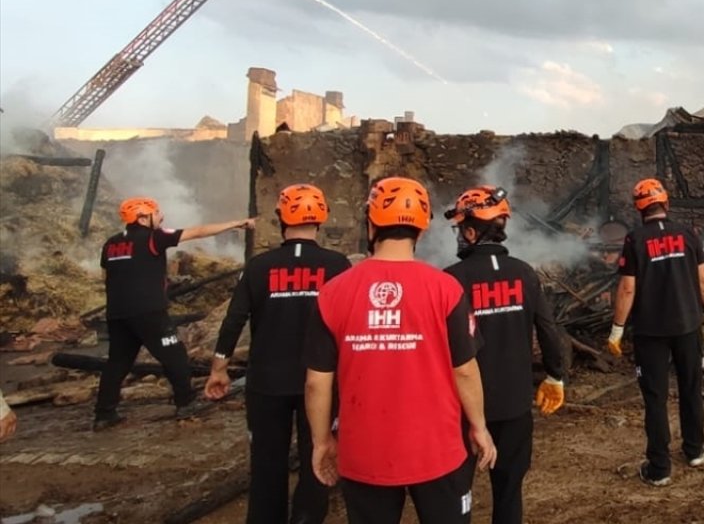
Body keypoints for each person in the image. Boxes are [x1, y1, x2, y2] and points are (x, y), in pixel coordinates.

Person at [303, 177, 496, 524]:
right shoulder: (446, 289)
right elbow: (465, 369)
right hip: (437, 450)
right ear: (421, 231)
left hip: (363, 452)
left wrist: (321, 442)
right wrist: (479, 427)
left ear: (371, 223)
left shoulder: (332, 293)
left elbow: (317, 382)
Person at [205, 184, 351, 524]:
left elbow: (234, 319)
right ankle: (306, 519)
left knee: (267, 463)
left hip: (266, 383)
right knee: (319, 453)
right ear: (321, 218)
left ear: (282, 217)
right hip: (321, 383)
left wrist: (219, 367)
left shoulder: (259, 266)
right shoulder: (338, 265)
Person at [442, 185, 566, 524]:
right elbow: (548, 329)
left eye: (460, 230)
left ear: (470, 231)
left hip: (462, 409)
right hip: (515, 403)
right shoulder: (524, 273)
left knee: (457, 492)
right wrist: (555, 376)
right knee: (509, 490)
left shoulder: (450, 280)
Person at [93, 197, 254, 431]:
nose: (161, 217)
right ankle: (186, 403)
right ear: (142, 217)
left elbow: (106, 278)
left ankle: (104, 414)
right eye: (156, 213)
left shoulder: (111, 244)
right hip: (149, 311)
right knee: (175, 356)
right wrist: (236, 224)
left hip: (118, 314)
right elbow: (198, 232)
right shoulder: (153, 238)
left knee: (117, 363)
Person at [606, 178, 704, 487]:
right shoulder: (689, 234)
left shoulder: (635, 239)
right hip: (689, 326)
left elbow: (627, 288)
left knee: (655, 398)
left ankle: (660, 467)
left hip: (651, 333)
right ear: (666, 204)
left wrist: (616, 330)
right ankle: (694, 450)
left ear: (638, 209)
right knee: (691, 388)